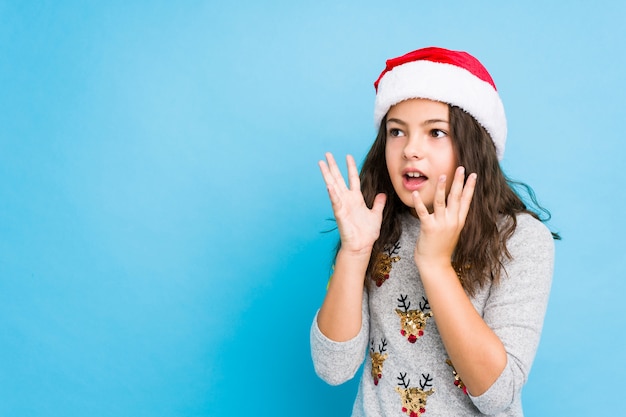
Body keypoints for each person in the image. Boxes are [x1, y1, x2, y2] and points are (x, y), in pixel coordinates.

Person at [310, 46, 558, 416]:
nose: (411, 149)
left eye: (436, 132)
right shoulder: (377, 224)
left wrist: (436, 264)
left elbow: (496, 395)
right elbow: (333, 368)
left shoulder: (520, 239)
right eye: (397, 131)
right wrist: (355, 253)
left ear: (474, 144)